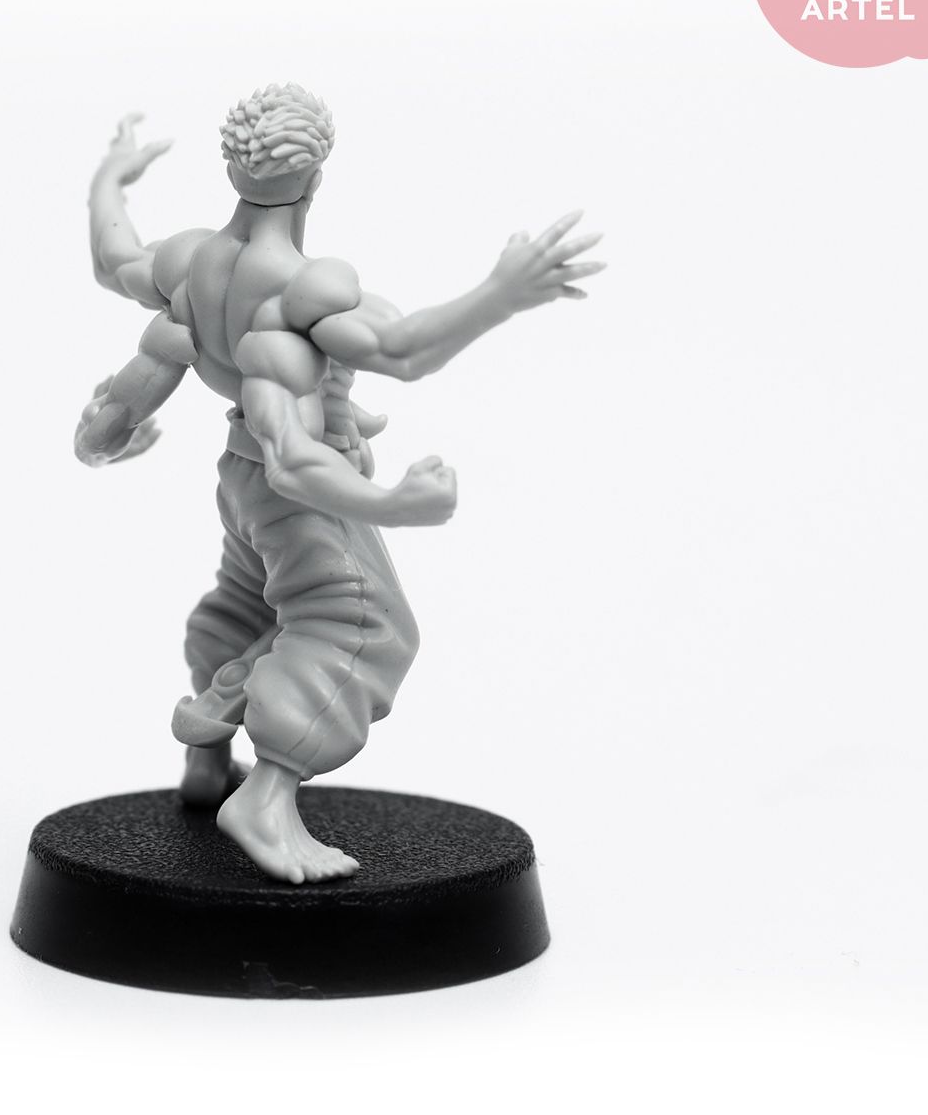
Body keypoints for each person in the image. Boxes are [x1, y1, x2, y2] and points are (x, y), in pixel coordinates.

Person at [75, 86, 603, 883]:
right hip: (296, 495)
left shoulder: (187, 261)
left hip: (239, 484)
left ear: (233, 168)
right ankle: (265, 798)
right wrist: (501, 295)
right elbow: (391, 360)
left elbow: (113, 259)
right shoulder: (298, 292)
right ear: (316, 178)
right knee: (359, 628)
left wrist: (110, 175)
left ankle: (207, 759)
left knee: (251, 606)